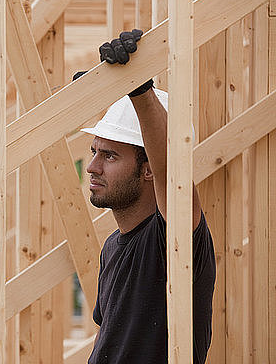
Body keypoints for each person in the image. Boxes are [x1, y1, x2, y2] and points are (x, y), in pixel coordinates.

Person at [76, 30, 216, 364]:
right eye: (94, 152)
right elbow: (106, 342)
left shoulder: (172, 240)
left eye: (109, 156)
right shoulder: (113, 246)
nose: (92, 167)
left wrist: (141, 93)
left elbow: (174, 173)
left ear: (149, 167)